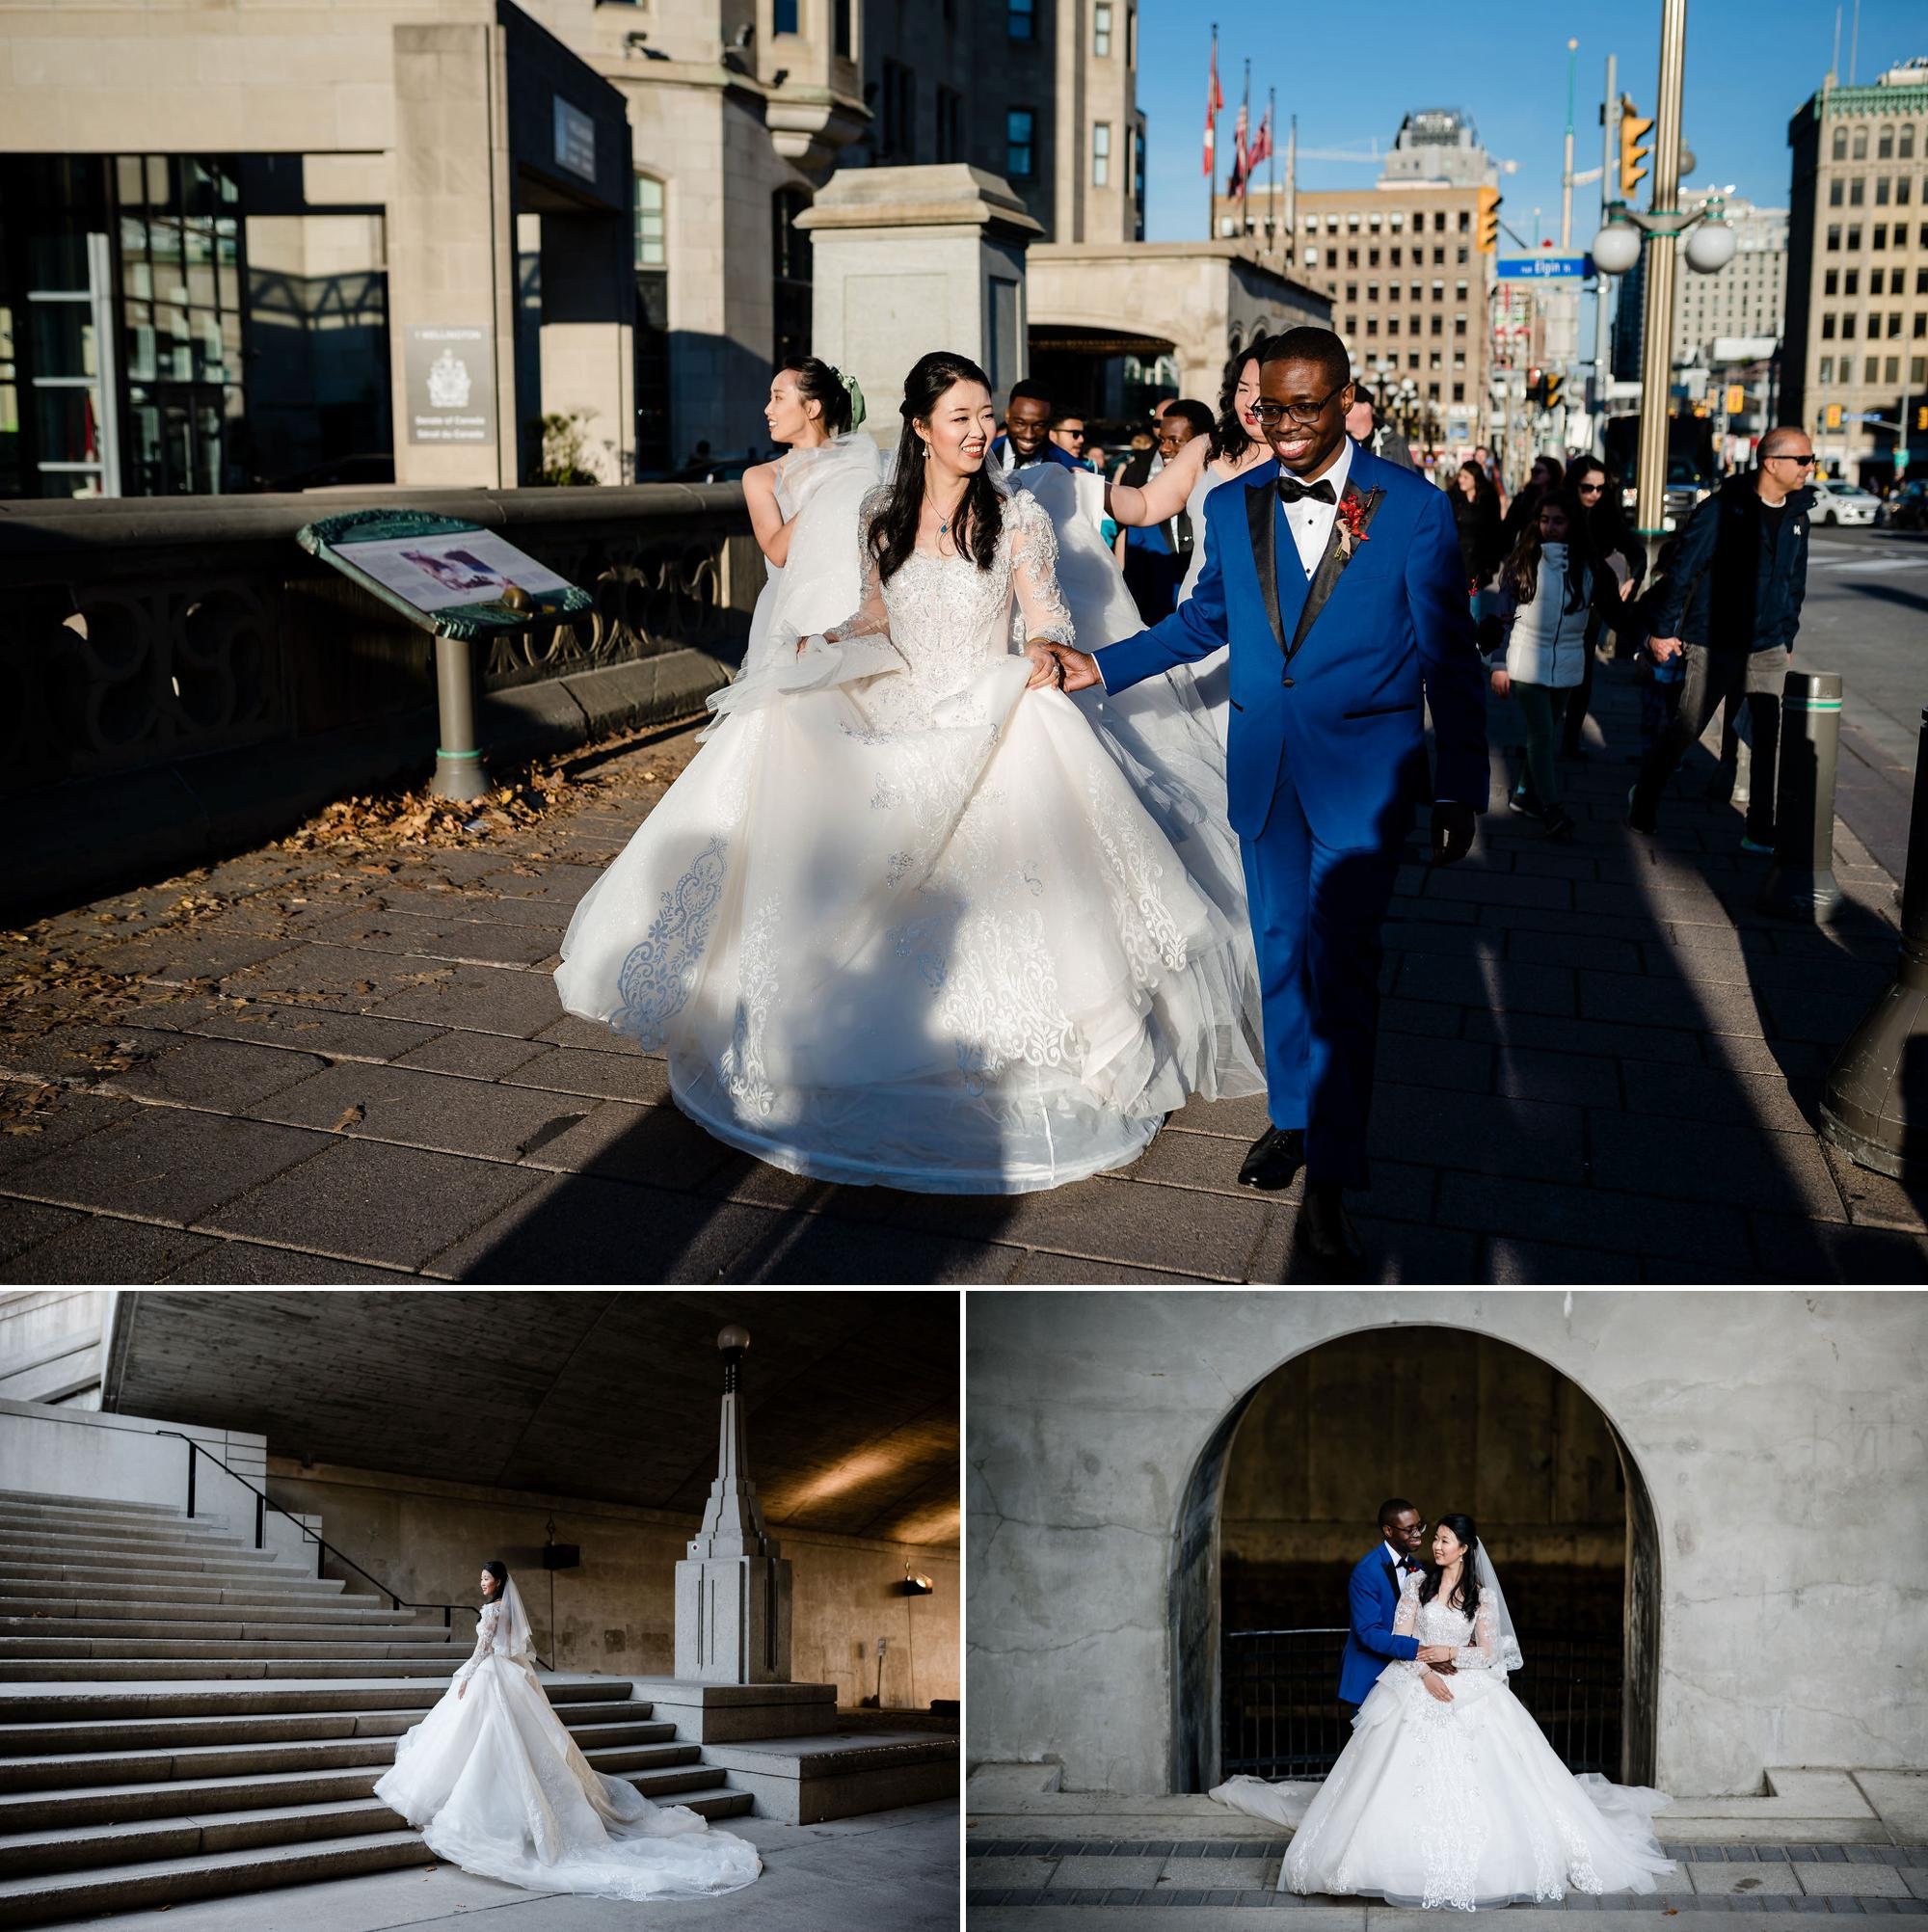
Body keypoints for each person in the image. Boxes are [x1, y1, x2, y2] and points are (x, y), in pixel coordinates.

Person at [555, 349, 1263, 1193]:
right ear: (921, 428)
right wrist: (829, 640)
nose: (979, 431)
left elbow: (1047, 619)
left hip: (984, 703)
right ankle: (797, 1014)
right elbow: (877, 618)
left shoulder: (1019, 519)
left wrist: (1041, 648)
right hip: (898, 699)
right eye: (960, 417)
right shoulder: (879, 517)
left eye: (985, 415)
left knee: (1037, 739)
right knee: (783, 722)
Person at [1043, 326, 1488, 1270]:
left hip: (1363, 784)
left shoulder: (1409, 508)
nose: (1282, 425)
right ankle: (1290, 1116)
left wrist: (1460, 788)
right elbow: (1205, 619)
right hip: (1263, 769)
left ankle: (1331, 1173)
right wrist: (1098, 665)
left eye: (1302, 407)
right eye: (1267, 407)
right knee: (1279, 954)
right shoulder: (1238, 498)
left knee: (1344, 974)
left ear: (1342, 399)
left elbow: (1450, 656)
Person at [1210, 1516, 1674, 1909]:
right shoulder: (1416, 1583)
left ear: (1465, 1549)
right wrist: (1424, 1669)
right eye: (1434, 1539)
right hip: (1418, 1684)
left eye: (1444, 1540)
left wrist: (1450, 1653)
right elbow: (1402, 1637)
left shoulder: (1482, 1596)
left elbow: (1489, 1652)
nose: (1435, 1545)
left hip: (1470, 1688)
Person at [374, 1564, 760, 1900]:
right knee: (500, 1739)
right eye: (480, 1579)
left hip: (491, 1675)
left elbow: (483, 1648)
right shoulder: (504, 1607)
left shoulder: (492, 1610)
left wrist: (465, 1677)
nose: (482, 1583)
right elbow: (517, 1648)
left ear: (499, 1582)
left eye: (486, 1578)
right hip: (507, 1676)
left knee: (489, 1738)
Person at [1627, 427, 1815, 847]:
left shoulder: (1799, 515)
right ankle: (1645, 798)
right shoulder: (1721, 509)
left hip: (1766, 644)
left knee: (1767, 736)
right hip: (1714, 640)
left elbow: (1795, 582)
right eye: (1803, 460)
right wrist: (1662, 630)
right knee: (1689, 726)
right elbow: (1683, 571)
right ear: (1772, 463)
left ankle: (1759, 827)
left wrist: (1787, 635)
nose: (1810, 468)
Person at [1104, 353, 1272, 738]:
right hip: (1199, 618)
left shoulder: (1300, 459)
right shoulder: (1207, 448)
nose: (1251, 402)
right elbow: (1144, 505)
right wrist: (1084, 486)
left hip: (1264, 629)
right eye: (1243, 389)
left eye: (1262, 390)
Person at [1486, 487, 1604, 843]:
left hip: (1567, 662)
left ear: (1573, 524)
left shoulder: (1587, 565)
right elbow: (1502, 615)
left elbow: (1606, 606)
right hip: (1526, 660)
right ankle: (1551, 809)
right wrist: (1498, 662)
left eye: (1559, 521)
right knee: (1541, 735)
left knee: (1547, 732)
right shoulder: (1524, 560)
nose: (1550, 527)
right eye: (1544, 520)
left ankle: (1523, 794)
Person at [1560, 458, 1646, 761]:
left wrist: (1632, 579)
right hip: (1557, 600)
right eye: (1588, 487)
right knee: (1553, 673)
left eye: (1600, 488)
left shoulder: (1607, 514)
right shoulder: (1560, 511)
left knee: (1582, 674)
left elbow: (1636, 550)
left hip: (1593, 602)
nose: (1595, 493)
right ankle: (1545, 737)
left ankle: (1569, 740)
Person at [990, 379, 1081, 473]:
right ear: (1007, 415)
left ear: (1049, 422)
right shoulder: (984, 454)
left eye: (1039, 425)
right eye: (1020, 423)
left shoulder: (1070, 470)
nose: (1028, 435)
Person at [1449, 459, 1505, 599]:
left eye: (1466, 477)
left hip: (1480, 561)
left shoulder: (1488, 497)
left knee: (1476, 605)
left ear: (1476, 478)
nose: (1461, 480)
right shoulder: (1451, 496)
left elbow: (1496, 530)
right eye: (1460, 476)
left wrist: (1493, 563)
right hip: (1456, 557)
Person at [1344, 383, 1417, 471]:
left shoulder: (1394, 443)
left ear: (1366, 408)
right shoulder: (1339, 444)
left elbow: (1410, 481)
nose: (1343, 409)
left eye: (1348, 404)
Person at [1500, 452, 1564, 551]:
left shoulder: (1561, 499)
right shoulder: (1523, 497)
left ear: (1551, 474)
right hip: (1527, 551)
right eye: (1533, 470)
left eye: (1538, 471)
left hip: (1553, 550)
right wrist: (1507, 553)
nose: (1534, 474)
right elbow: (1509, 527)